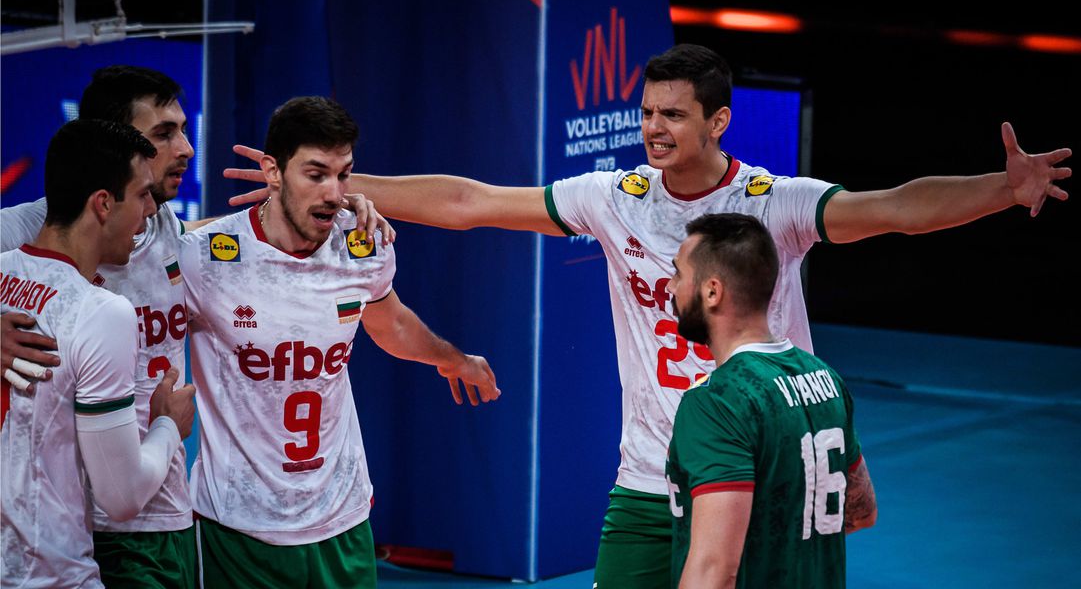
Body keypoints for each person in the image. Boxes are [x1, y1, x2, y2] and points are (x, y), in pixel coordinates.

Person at [225, 44, 1071, 587]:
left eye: (672, 115)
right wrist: (336, 183)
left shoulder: (774, 202)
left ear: (717, 121)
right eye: (646, 112)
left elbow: (895, 209)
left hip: (752, 463)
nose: (653, 129)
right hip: (646, 473)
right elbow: (470, 202)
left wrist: (1001, 190)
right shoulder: (612, 197)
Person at [0, 65, 394, 588]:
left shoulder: (169, 232)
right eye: (164, 134)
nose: (186, 148)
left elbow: (241, 239)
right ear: (114, 143)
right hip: (86, 520)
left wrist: (342, 208)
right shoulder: (32, 229)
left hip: (171, 513)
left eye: (183, 130)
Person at [181, 96, 499, 587]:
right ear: (272, 171)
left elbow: (393, 325)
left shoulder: (362, 245)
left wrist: (453, 360)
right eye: (315, 174)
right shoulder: (205, 258)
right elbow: (128, 252)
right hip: (239, 527)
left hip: (342, 520)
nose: (333, 193)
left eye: (343, 175)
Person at [0, 118, 196, 588]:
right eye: (142, 195)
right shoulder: (102, 312)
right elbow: (121, 495)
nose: (150, 211)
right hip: (52, 575)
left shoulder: (2, 272)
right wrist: (169, 425)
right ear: (103, 203)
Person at [664, 213, 876, 588]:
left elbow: (714, 570)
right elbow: (862, 513)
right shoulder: (826, 378)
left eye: (679, 273)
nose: (670, 286)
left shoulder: (717, 401)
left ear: (712, 292)